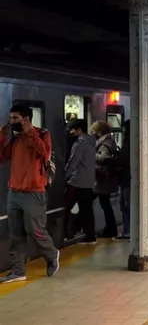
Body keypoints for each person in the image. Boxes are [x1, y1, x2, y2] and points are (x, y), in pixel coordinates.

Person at [0, 105, 60, 284]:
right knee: (15, 233)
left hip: (34, 192)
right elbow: (2, 157)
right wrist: (2, 136)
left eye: (15, 118)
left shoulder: (42, 134)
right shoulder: (16, 139)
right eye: (11, 118)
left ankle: (52, 254)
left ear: (26, 119)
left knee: (35, 230)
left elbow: (45, 152)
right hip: (14, 192)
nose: (12, 122)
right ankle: (18, 271)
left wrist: (30, 132)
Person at [114, 120, 148, 242]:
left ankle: (130, 231)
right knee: (135, 205)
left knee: (127, 205)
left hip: (128, 179)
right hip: (142, 179)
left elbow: (124, 160)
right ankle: (134, 230)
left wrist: (112, 160)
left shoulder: (129, 142)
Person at [62, 119, 97, 244]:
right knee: (87, 209)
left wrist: (64, 177)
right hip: (88, 181)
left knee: (65, 207)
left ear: (79, 130)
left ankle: (64, 233)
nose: (73, 133)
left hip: (77, 181)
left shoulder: (80, 143)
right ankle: (90, 235)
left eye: (74, 130)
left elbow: (73, 162)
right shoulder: (91, 142)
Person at [91, 120, 119, 238]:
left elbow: (103, 158)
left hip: (102, 178)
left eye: (94, 131)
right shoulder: (108, 141)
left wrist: (91, 154)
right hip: (104, 178)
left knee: (101, 203)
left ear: (99, 131)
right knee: (105, 203)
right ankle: (110, 228)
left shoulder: (105, 143)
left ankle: (110, 229)